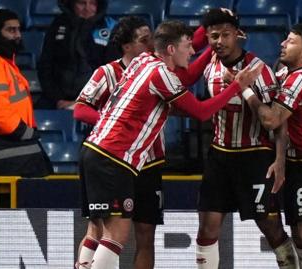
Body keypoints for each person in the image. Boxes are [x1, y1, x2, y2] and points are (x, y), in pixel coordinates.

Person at [79, 20, 263, 269]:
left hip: (95, 150)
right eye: (188, 46)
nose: (191, 51)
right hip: (114, 157)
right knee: (114, 235)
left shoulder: (142, 62)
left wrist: (205, 33)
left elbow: (177, 96)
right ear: (171, 50)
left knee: (104, 231)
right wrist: (237, 86)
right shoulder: (161, 74)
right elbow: (200, 112)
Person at [74, 16, 212, 269]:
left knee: (144, 234)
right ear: (127, 46)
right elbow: (80, 109)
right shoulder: (110, 72)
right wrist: (113, 123)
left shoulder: (149, 64)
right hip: (115, 154)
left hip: (147, 161)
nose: (150, 42)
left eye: (152, 38)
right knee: (104, 229)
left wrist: (210, 32)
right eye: (144, 39)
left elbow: (181, 55)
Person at [195, 9, 298, 269]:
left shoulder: (260, 70)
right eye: (214, 36)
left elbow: (278, 121)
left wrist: (279, 161)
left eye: (225, 35)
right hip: (219, 156)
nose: (219, 41)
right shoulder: (209, 68)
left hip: (254, 157)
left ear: (238, 35)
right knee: (207, 227)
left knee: (270, 225)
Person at [244, 23, 302, 268]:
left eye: (291, 41)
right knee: (298, 232)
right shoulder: (288, 76)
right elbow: (281, 125)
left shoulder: (301, 79)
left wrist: (245, 91)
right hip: (297, 161)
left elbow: (271, 119)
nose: (283, 44)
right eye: (285, 39)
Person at [0, 9, 52, 177]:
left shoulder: (1, 62)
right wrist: (22, 131)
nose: (18, 35)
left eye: (18, 29)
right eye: (11, 30)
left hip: (2, 144)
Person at [37, 0, 117, 109]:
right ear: (72, 4)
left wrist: (87, 101)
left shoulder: (111, 27)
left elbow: (113, 71)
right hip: (57, 99)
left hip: (96, 100)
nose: (87, 8)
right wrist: (58, 99)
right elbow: (45, 66)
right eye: (81, 3)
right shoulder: (58, 25)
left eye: (93, 3)